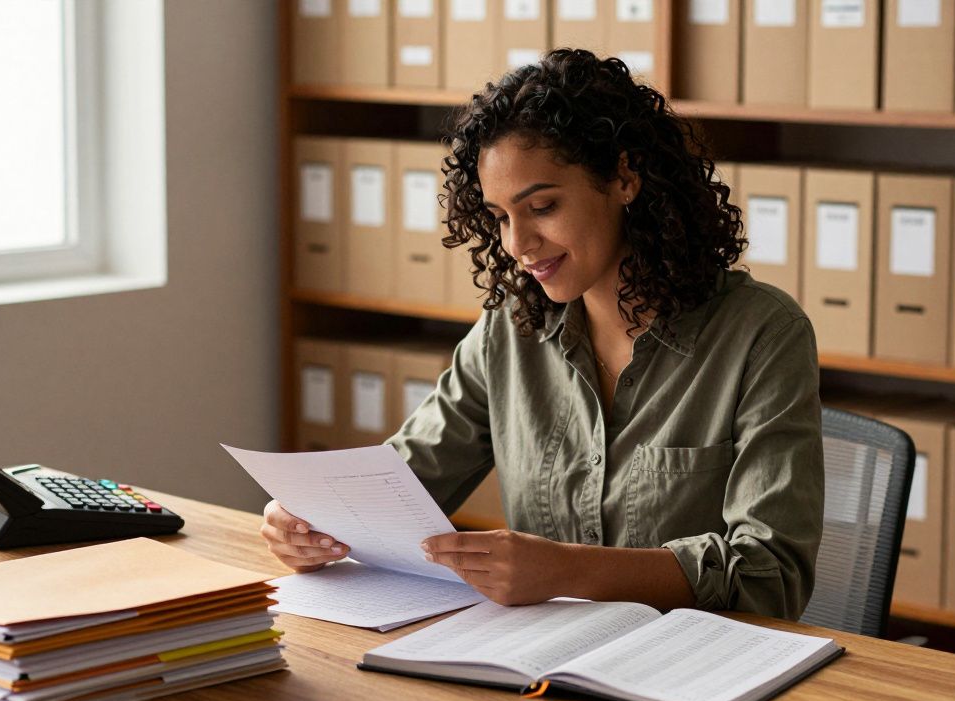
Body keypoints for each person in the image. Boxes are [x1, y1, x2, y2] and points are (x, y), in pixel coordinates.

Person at [260, 49, 824, 621]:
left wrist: (566, 570)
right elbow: (397, 488)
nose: (517, 244)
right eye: (501, 217)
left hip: (693, 658)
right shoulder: (510, 330)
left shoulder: (762, 334)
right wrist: (308, 523)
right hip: (539, 657)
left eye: (543, 206)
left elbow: (771, 575)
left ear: (624, 178)